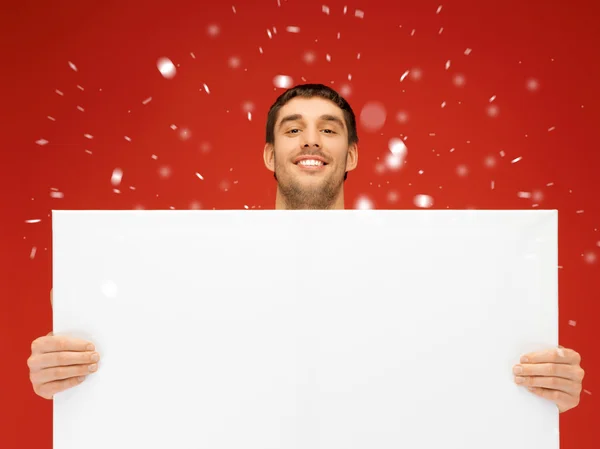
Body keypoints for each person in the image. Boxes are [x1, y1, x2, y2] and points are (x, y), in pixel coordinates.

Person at [27, 83, 585, 413]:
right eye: (292, 129)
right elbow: (161, 373)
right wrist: (64, 378)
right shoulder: (192, 270)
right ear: (270, 155)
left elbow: (453, 376)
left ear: (353, 155)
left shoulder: (425, 271)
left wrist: (544, 399)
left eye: (329, 129)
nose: (311, 139)